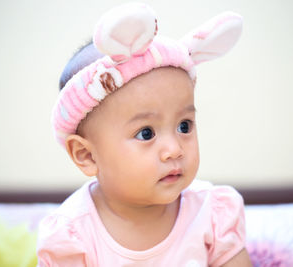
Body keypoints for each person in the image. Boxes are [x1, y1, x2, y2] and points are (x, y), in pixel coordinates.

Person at [37, 3, 252, 266]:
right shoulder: (73, 236)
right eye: (146, 133)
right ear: (87, 155)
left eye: (184, 126)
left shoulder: (212, 212)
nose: (174, 149)